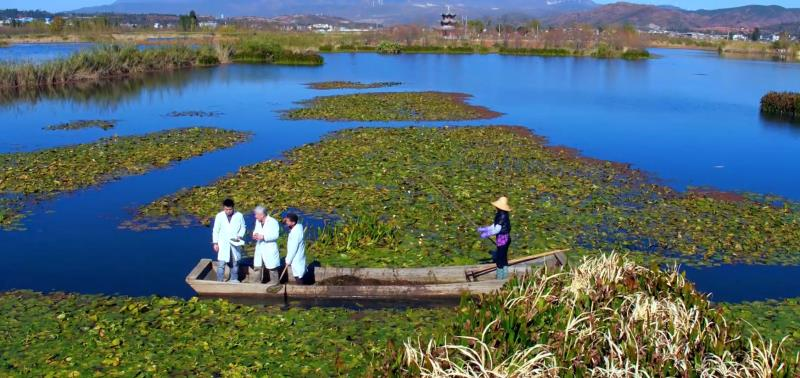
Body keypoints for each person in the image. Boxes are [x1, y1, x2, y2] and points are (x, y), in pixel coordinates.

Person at [212, 198, 246, 283]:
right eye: (226, 209)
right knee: (221, 264)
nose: (228, 211)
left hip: (235, 243)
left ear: (233, 208)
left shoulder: (239, 215)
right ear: (223, 208)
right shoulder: (219, 216)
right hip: (223, 244)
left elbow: (243, 227)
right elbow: (216, 230)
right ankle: (219, 281)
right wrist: (215, 243)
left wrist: (240, 236)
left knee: (235, 263)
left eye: (230, 209)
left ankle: (234, 279)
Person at [477, 196, 512, 279]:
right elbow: (495, 225)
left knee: (500, 258)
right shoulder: (501, 214)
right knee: (503, 256)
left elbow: (497, 230)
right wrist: (485, 229)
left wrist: (487, 234)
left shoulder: (502, 216)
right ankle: (504, 275)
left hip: (503, 239)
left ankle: (501, 278)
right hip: (504, 238)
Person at [252, 206, 280, 286]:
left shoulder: (272, 222)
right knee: (257, 266)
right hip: (260, 246)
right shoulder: (258, 221)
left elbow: (275, 235)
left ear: (262, 215)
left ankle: (274, 283)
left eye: (256, 214)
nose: (255, 216)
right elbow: (256, 230)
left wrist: (264, 237)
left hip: (269, 247)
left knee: (272, 267)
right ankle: (257, 282)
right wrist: (255, 235)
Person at [283, 213, 307, 284]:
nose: (286, 222)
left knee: (298, 275)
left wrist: (288, 260)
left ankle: (301, 290)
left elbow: (293, 249)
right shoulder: (296, 228)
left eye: (288, 221)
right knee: (298, 274)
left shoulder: (296, 233)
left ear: (293, 222)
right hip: (298, 257)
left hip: (297, 258)